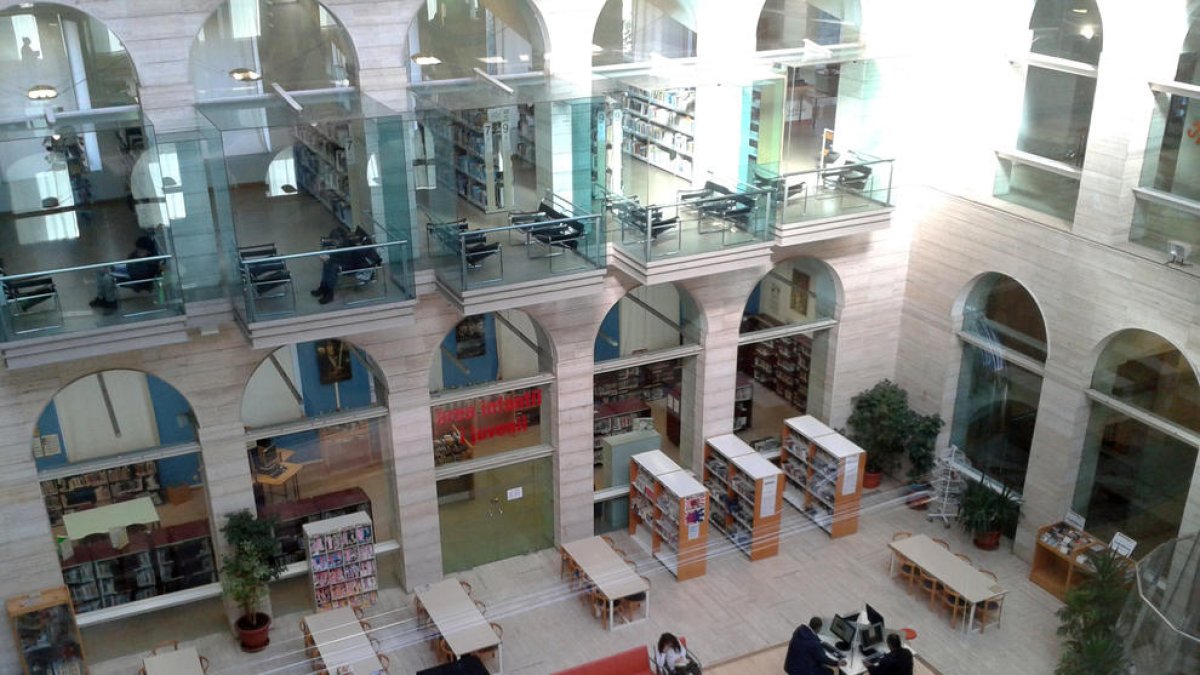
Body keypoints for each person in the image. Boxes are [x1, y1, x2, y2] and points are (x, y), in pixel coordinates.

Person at [90, 234, 159, 309]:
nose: (138, 252)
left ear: (147, 251)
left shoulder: (150, 262)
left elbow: (135, 274)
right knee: (100, 270)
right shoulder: (139, 254)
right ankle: (101, 297)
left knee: (107, 277)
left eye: (140, 250)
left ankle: (110, 301)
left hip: (135, 278)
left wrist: (113, 272)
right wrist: (115, 269)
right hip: (130, 271)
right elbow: (129, 262)